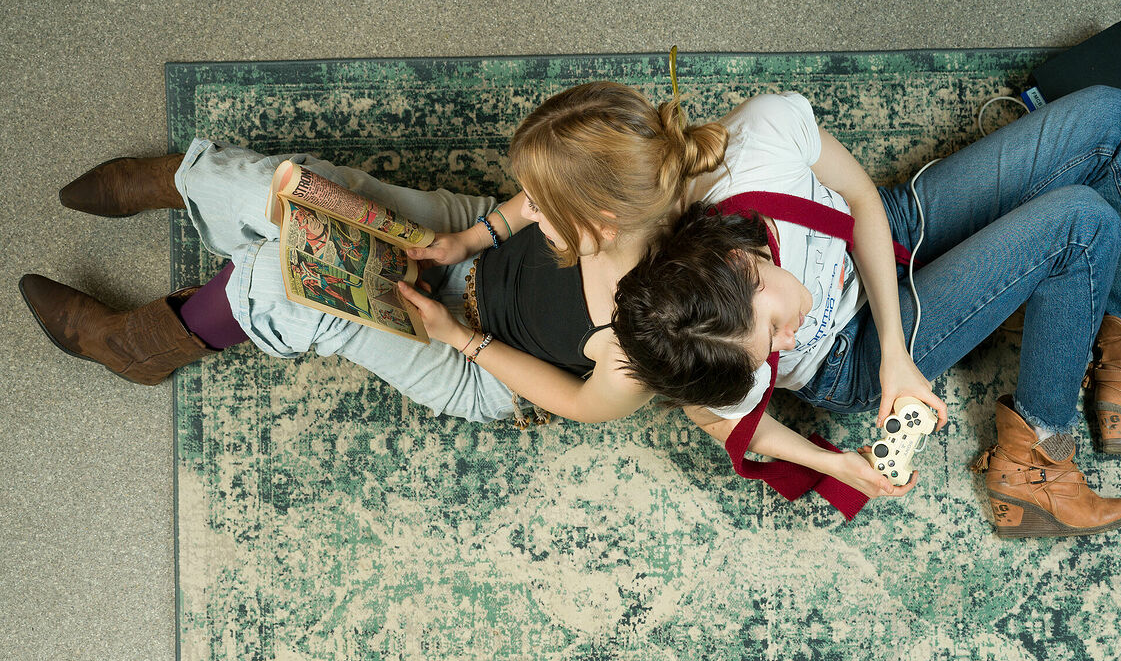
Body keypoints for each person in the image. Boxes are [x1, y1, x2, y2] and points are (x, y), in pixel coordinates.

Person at [612, 86, 1121, 537]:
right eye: (770, 353)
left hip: (881, 233)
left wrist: (899, 347)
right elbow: (718, 417)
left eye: (773, 326)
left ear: (742, 261)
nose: (784, 342)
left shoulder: (761, 140)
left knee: (1112, 117)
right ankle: (1034, 457)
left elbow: (861, 198)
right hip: (851, 354)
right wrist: (836, 462)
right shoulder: (709, 346)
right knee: (1082, 225)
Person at [20, 82, 727, 426]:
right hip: (475, 248)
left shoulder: (646, 335)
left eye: (542, 206)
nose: (528, 204)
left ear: (601, 223)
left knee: (297, 289)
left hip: (484, 362)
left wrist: (461, 337)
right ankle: (192, 183)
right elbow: (532, 202)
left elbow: (580, 404)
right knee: (320, 192)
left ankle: (135, 347)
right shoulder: (647, 177)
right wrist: (474, 236)